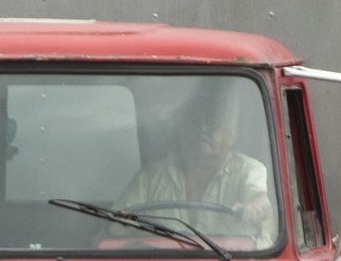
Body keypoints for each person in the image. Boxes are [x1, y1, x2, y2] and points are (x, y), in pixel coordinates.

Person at [118, 83, 281, 244]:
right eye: (194, 122)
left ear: (231, 135)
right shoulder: (151, 176)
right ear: (181, 133)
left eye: (212, 123)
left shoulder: (249, 170)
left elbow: (261, 201)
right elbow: (116, 223)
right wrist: (130, 224)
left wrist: (254, 208)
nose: (202, 129)